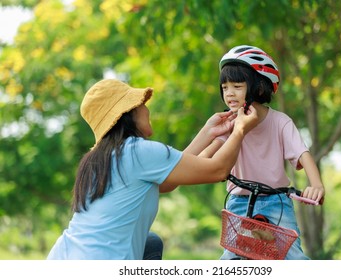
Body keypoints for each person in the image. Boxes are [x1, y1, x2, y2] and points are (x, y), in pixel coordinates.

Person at [47, 78, 259, 260]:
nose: (147, 109)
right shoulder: (137, 151)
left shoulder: (98, 159)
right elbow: (218, 170)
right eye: (141, 104)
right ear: (128, 113)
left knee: (151, 243)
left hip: (64, 259)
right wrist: (240, 129)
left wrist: (209, 133)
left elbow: (169, 180)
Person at [198, 45, 325, 260]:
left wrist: (317, 185)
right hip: (239, 202)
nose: (229, 93)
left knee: (294, 259)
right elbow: (204, 159)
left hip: (276, 201)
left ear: (258, 87)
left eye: (237, 86)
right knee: (230, 260)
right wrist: (196, 164)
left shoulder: (280, 121)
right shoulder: (229, 123)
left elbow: (303, 153)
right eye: (225, 87)